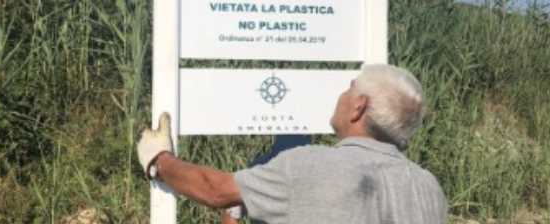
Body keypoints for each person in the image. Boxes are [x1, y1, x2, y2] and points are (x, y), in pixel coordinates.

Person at [137, 64, 448, 223]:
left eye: (349, 89)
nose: (341, 95)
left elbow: (214, 188)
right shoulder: (428, 187)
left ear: (358, 107)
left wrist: (159, 160)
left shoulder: (311, 165)